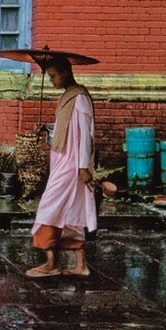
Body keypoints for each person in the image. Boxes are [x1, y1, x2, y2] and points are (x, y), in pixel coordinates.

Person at [25, 55, 96, 278]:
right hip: (63, 162)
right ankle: (81, 264)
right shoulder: (68, 95)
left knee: (48, 209)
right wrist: (47, 128)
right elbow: (67, 126)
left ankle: (51, 263)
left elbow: (86, 135)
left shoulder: (80, 97)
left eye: (54, 75)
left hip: (72, 164)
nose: (52, 80)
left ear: (65, 73)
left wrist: (83, 166)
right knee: (71, 211)